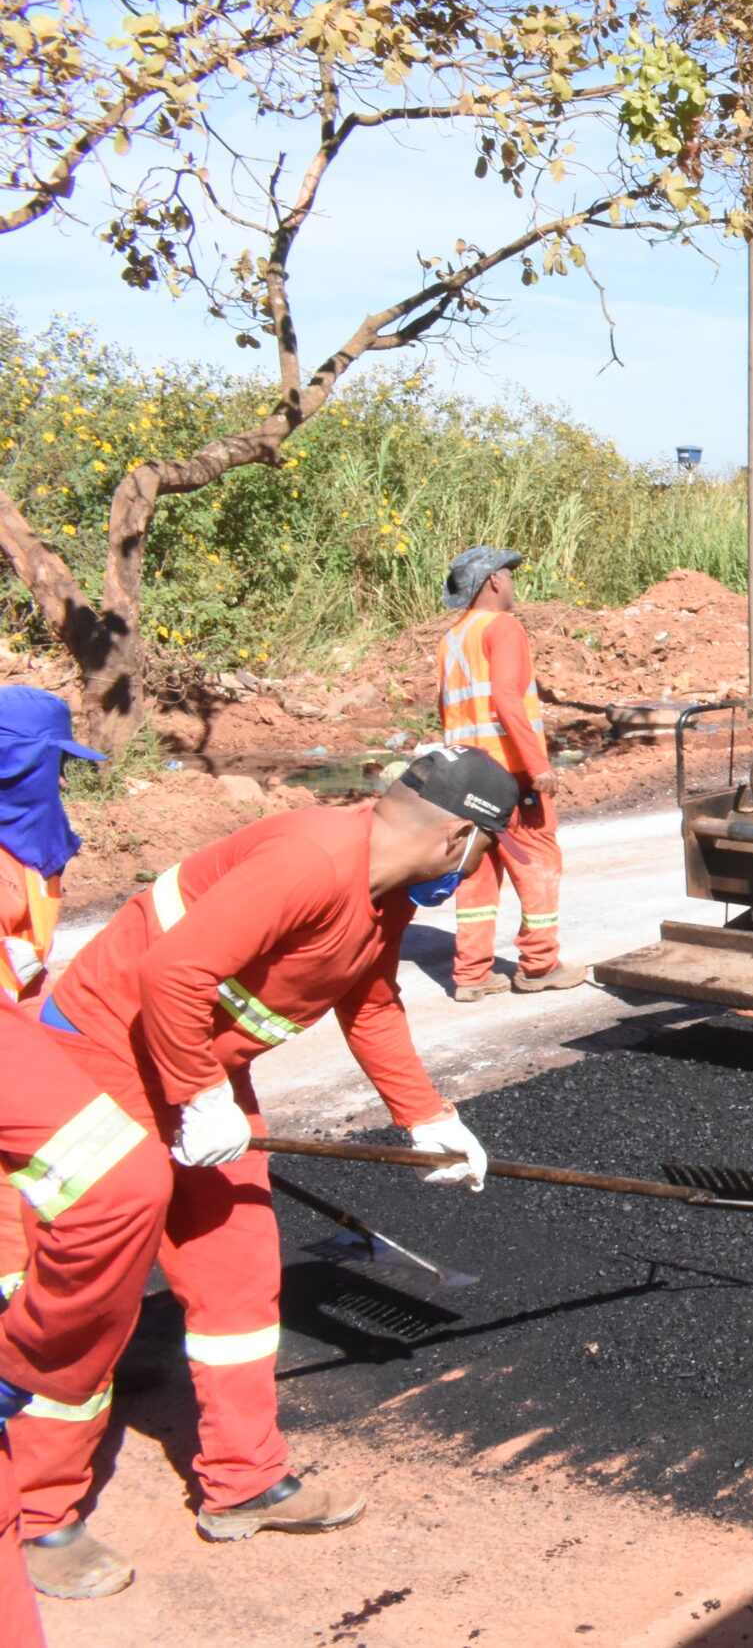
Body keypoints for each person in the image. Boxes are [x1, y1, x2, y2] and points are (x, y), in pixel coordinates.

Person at [11, 747, 508, 1600]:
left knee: (239, 1264)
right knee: (95, 1291)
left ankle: (243, 1480)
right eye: (482, 855)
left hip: (194, 1065)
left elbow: (372, 1001)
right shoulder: (312, 858)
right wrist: (201, 1098)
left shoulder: (380, 895)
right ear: (461, 835)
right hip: (108, 1052)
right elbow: (170, 972)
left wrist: (427, 1115)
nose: (474, 873)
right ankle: (39, 1511)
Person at [0, 700, 172, 1630]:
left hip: (24, 1090)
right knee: (33, 1291)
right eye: (44, 769)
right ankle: (42, 1514)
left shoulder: (31, 859)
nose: (55, 786)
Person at [438, 545, 585, 1000]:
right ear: (495, 581)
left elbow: (446, 707)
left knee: (477, 869)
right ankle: (539, 965)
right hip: (509, 773)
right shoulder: (503, 628)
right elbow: (505, 696)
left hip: (464, 775)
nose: (514, 584)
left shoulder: (453, 637)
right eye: (510, 576)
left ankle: (471, 974)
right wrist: (538, 766)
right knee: (538, 860)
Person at [0, 690, 102, 1004]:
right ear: (17, 764)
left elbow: (26, 967)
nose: (63, 782)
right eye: (55, 765)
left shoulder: (33, 850)